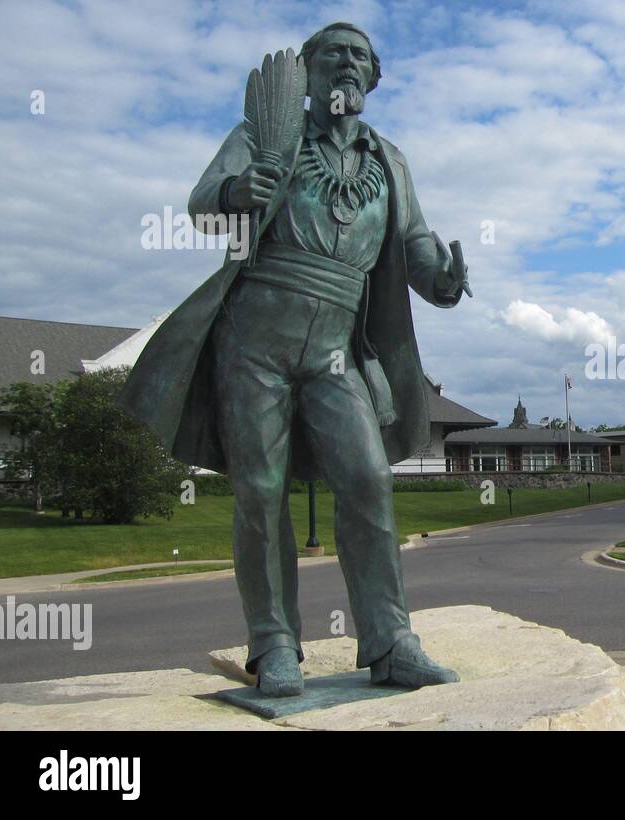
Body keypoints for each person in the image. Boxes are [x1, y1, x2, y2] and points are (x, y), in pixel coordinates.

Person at [119, 22, 468, 696]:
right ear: (307, 72)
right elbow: (204, 200)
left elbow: (416, 240)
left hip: (337, 349)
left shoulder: (389, 160)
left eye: (360, 57)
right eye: (332, 53)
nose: (347, 64)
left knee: (367, 479)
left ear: (371, 79)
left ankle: (392, 642)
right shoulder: (264, 134)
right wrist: (237, 192)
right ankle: (274, 644)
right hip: (256, 339)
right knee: (259, 489)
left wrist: (443, 281)